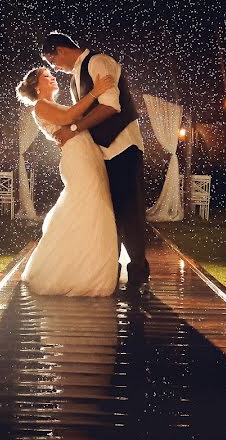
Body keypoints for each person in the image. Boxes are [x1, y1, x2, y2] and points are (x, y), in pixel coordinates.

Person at [40, 32, 151, 294]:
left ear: (60, 49)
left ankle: (138, 274)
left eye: (51, 60)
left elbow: (111, 106)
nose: (53, 67)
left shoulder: (98, 62)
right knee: (108, 215)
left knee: (130, 213)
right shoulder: (74, 81)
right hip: (101, 154)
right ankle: (108, 271)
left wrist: (74, 128)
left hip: (123, 147)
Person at [16, 66, 121, 296]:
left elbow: (77, 118)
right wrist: (96, 91)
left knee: (96, 204)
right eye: (46, 76)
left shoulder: (53, 103)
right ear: (36, 86)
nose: (52, 77)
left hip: (88, 153)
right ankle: (77, 271)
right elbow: (68, 117)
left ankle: (93, 263)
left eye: (50, 74)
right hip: (77, 157)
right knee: (86, 202)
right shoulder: (41, 105)